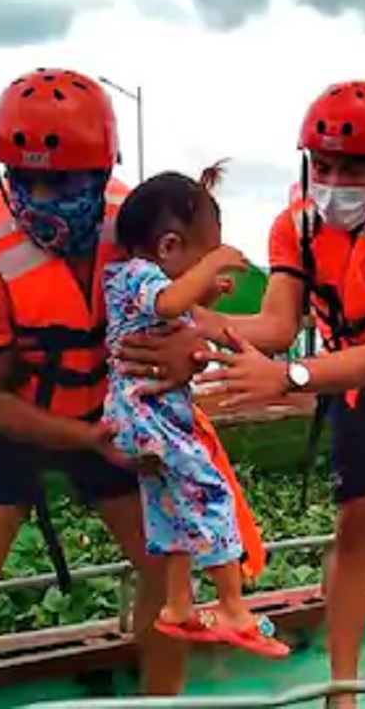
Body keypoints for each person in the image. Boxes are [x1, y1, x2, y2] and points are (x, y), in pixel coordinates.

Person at [120, 81, 365, 708]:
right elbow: (277, 325)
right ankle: (340, 694)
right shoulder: (295, 224)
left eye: (354, 168)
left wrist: (289, 377)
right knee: (353, 532)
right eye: (323, 165)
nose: (335, 180)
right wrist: (204, 329)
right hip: (357, 393)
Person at [0, 68, 199, 709]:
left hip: (115, 408)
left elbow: (191, 309)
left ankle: (162, 700)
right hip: (5, 423)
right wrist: (86, 437)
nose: (42, 195)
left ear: (102, 170)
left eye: (62, 180)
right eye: (25, 177)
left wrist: (183, 349)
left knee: (168, 564)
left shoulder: (141, 226)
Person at [104, 166, 286, 658]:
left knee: (169, 511)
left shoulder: (134, 280)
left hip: (144, 417)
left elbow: (176, 304)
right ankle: (232, 607)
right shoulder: (138, 275)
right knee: (209, 493)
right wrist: (216, 266)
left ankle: (178, 605)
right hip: (150, 418)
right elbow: (166, 303)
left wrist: (206, 289)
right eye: (205, 254)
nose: (213, 265)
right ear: (167, 247)